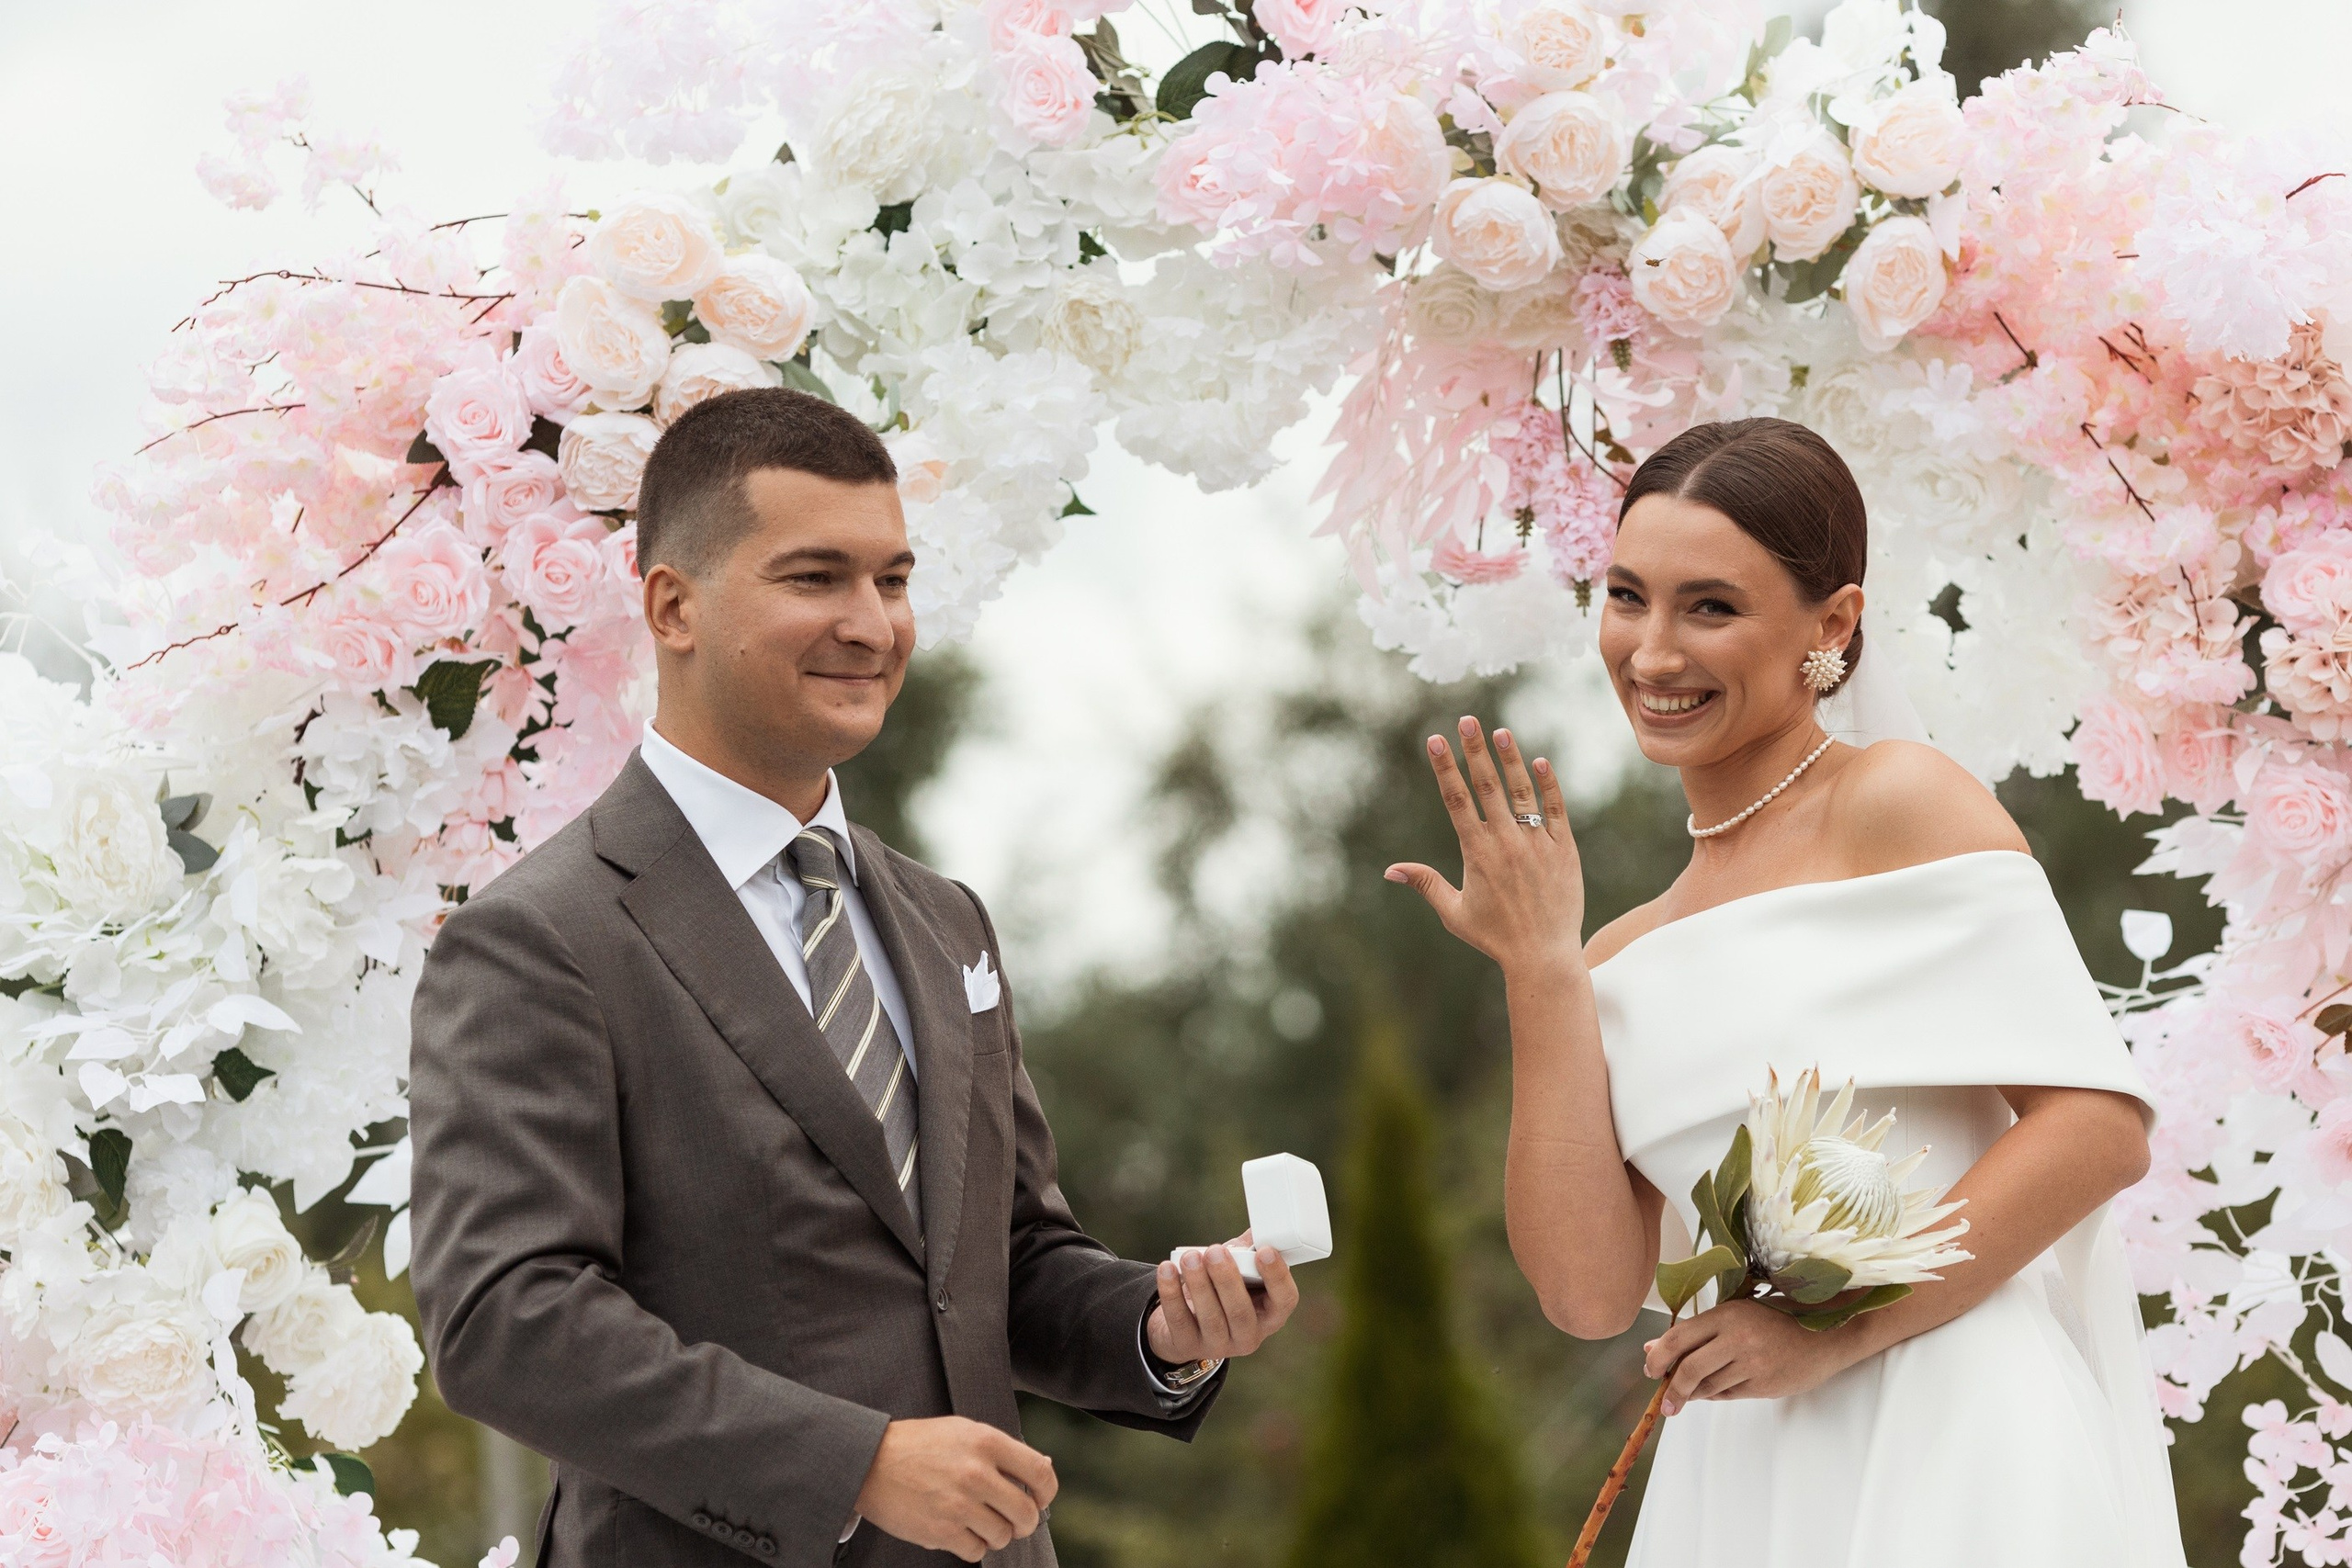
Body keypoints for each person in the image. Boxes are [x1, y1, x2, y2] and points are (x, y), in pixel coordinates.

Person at [407, 387, 1298, 1568]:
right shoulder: (539, 939)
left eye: (893, 579)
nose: (874, 625)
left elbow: (1004, 1265)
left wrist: (1163, 1322)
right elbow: (505, 1322)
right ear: (672, 605)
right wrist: (854, 1464)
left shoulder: (946, 920)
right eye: (815, 578)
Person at [1385, 417, 2188, 1565]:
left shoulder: (1898, 802)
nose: (1652, 653)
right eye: (1626, 596)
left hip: (1950, 1433)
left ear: (1833, 624)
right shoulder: (1613, 956)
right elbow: (1587, 1295)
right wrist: (1541, 971)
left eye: (1709, 607)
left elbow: (2097, 1130)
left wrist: (1826, 1332)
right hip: (1740, 1476)